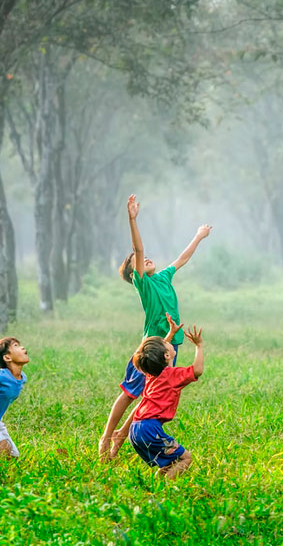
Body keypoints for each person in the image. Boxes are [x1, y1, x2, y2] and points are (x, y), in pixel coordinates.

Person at [98, 194, 211, 460]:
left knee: (152, 395)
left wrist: (198, 236)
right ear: (133, 273)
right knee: (129, 393)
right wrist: (132, 219)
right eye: (137, 261)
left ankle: (120, 439)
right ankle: (106, 438)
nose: (145, 258)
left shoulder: (162, 277)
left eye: (146, 257)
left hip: (171, 345)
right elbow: (138, 249)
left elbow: (182, 259)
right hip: (151, 348)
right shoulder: (144, 284)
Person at [126, 324, 204, 478]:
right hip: (149, 429)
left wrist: (171, 333)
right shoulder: (172, 376)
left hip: (135, 429)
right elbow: (197, 370)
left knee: (170, 462)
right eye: (166, 342)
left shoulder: (151, 373)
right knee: (186, 458)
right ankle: (165, 489)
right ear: (166, 355)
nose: (167, 341)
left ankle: (157, 483)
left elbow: (155, 355)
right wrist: (199, 345)